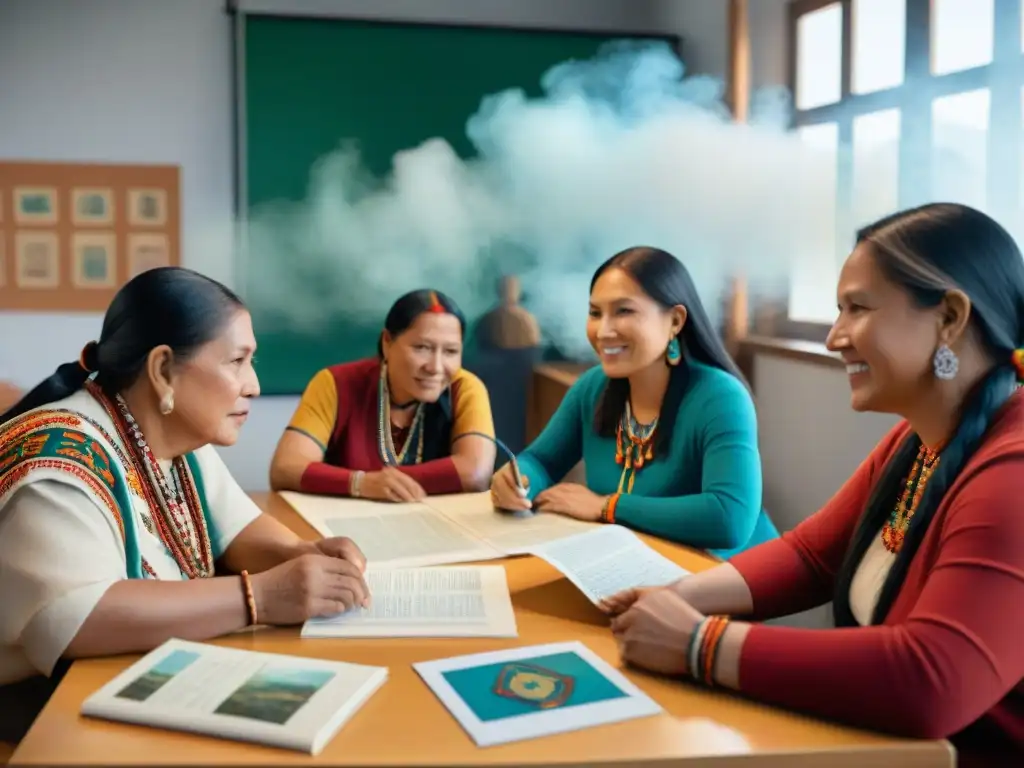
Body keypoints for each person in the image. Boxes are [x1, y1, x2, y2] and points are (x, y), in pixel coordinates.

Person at [601, 204, 1024, 767]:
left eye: (858, 309)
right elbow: (812, 557)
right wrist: (676, 597)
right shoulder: (915, 442)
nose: (834, 338)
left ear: (949, 317)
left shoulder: (1012, 470)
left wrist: (700, 645)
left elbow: (932, 676)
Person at [0, 267, 370, 743]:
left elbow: (236, 529)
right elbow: (74, 618)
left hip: (120, 676)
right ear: (162, 369)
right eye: (237, 361)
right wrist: (261, 597)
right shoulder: (56, 461)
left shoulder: (173, 438)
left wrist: (304, 556)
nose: (253, 385)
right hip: (41, 706)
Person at [490, 247, 779, 559]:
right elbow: (542, 460)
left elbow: (729, 518)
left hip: (729, 581)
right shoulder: (592, 388)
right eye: (595, 313)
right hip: (634, 569)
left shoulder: (720, 397)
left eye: (623, 311)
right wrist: (519, 482)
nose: (603, 331)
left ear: (676, 321)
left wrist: (606, 506)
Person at [270, 289, 496, 502]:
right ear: (387, 342)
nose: (436, 367)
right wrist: (361, 483)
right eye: (422, 348)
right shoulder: (336, 383)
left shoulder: (464, 388)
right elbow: (286, 468)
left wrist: (382, 482)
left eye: (450, 352)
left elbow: (474, 473)